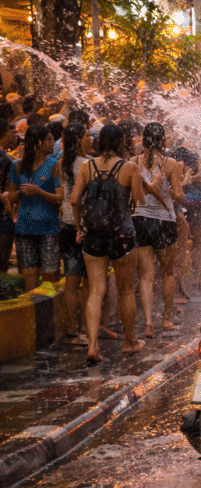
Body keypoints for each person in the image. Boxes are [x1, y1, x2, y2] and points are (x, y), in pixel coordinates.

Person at [70, 123, 146, 363]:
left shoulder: (86, 166)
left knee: (95, 289)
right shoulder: (129, 167)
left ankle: (93, 346)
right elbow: (139, 199)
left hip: (92, 235)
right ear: (121, 142)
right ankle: (130, 341)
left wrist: (79, 227)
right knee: (125, 291)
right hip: (122, 235)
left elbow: (74, 200)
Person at [131, 122, 185, 337]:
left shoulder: (133, 162)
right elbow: (180, 196)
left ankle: (147, 324)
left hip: (140, 220)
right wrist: (175, 189)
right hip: (164, 222)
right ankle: (165, 320)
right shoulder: (170, 164)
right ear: (162, 140)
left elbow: (133, 195)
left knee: (146, 276)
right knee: (167, 272)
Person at [6, 123, 62, 290]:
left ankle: (50, 316)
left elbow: (60, 198)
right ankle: (34, 315)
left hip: (49, 230)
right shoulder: (17, 165)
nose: (53, 143)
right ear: (38, 142)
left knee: (50, 279)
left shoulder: (54, 165)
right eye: (49, 140)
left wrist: (39, 191)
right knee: (29, 279)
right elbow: (11, 196)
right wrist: (20, 193)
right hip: (24, 229)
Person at [57, 122, 90, 344]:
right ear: (79, 140)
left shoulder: (61, 163)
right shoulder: (87, 165)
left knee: (71, 281)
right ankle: (86, 328)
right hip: (83, 227)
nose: (91, 138)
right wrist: (82, 227)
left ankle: (72, 331)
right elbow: (82, 200)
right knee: (88, 282)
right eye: (87, 135)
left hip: (65, 225)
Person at [0, 120, 17, 274]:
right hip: (3, 217)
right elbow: (6, 195)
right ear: (4, 132)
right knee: (1, 265)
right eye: (12, 131)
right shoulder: (5, 160)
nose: (15, 135)